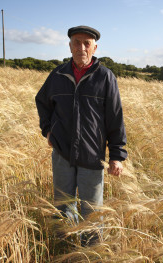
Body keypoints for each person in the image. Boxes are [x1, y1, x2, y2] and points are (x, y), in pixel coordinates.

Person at [35, 25, 127, 245]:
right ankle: (64, 248)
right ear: (69, 46)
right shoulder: (57, 75)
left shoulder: (105, 77)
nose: (81, 47)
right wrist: (48, 131)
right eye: (77, 42)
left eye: (87, 43)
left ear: (95, 48)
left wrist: (116, 155)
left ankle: (91, 253)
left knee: (92, 210)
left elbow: (115, 117)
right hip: (62, 153)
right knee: (63, 205)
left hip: (92, 155)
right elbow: (42, 102)